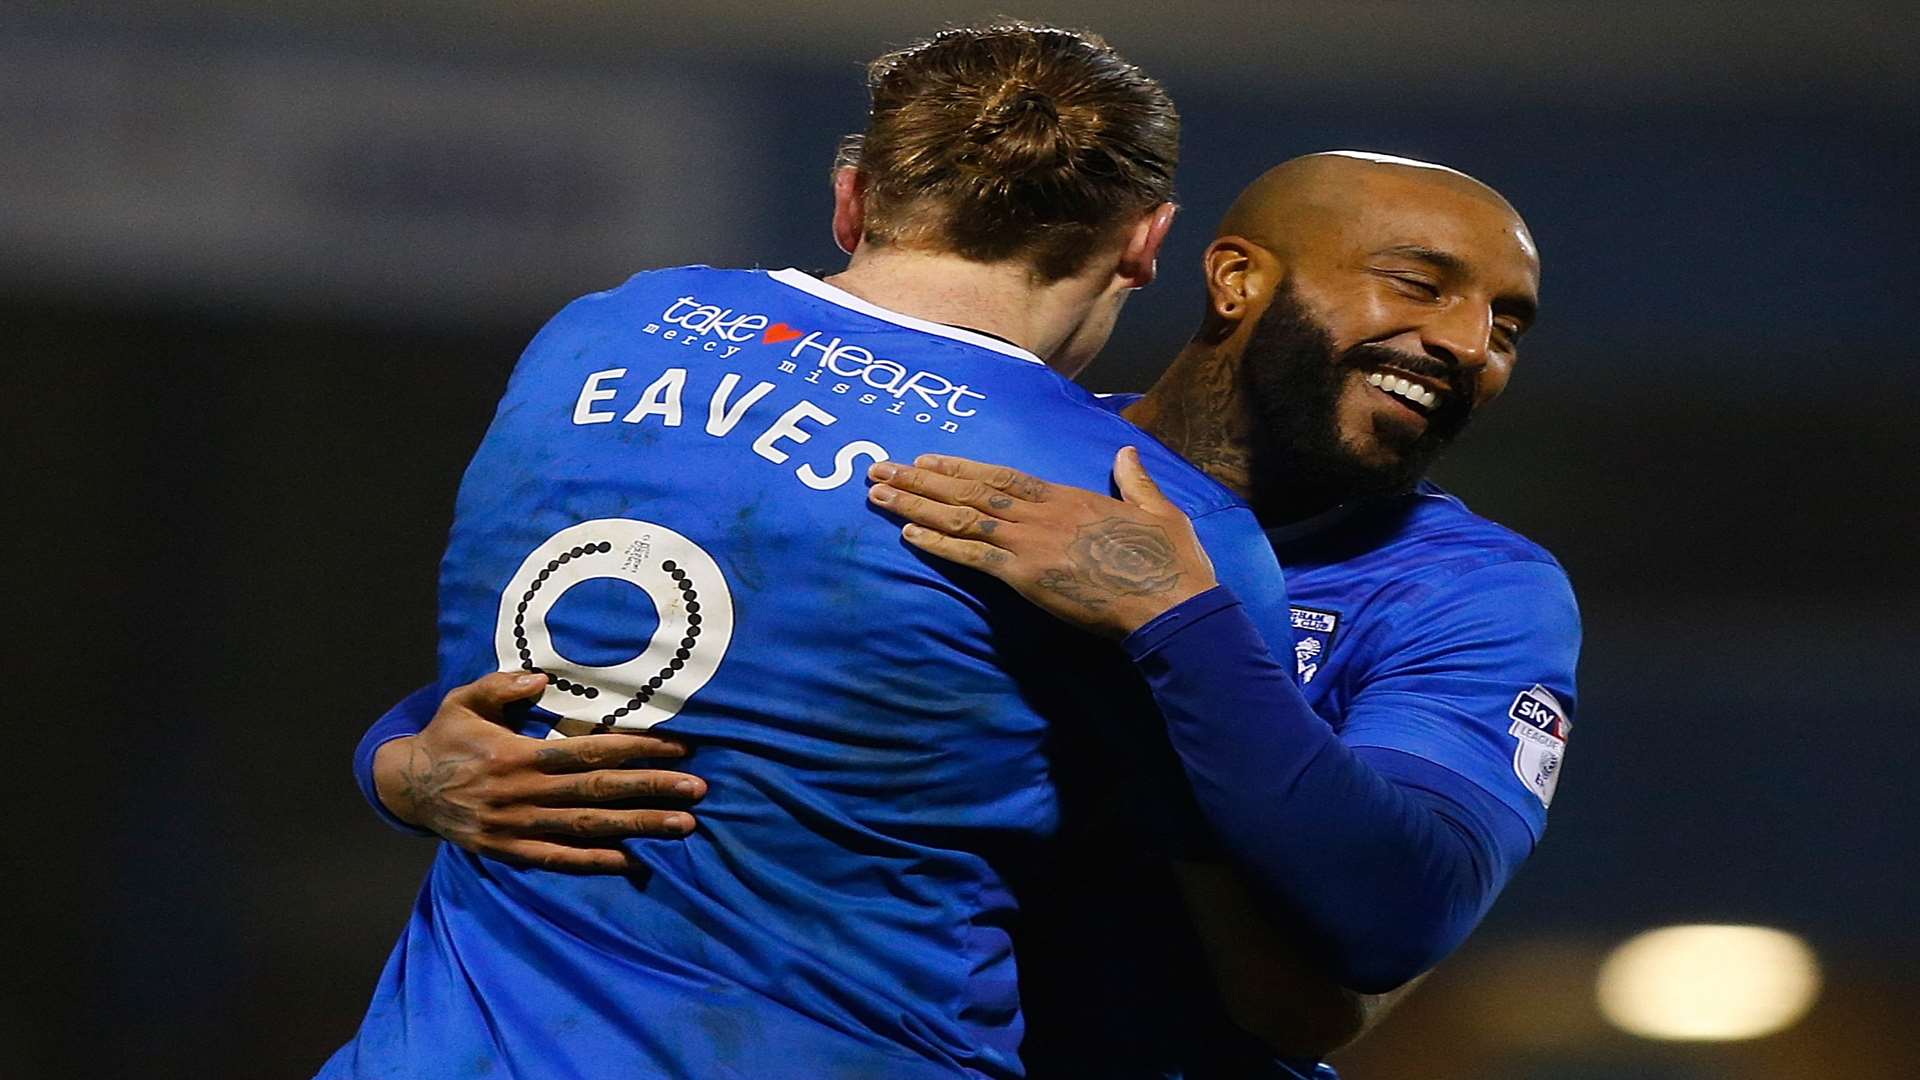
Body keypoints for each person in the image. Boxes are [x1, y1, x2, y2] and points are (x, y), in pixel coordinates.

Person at [322, 22, 1318, 1080]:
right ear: (1145, 242)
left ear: (852, 198)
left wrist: (392, 767)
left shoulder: (603, 329)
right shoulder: (1149, 520)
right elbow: (1314, 938)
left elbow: (506, 688)